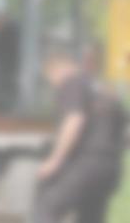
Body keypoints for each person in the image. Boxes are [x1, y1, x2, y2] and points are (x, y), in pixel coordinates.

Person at [33, 49, 125, 223]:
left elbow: (75, 120)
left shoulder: (73, 82)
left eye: (50, 78)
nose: (53, 84)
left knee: (49, 205)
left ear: (56, 68)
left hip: (86, 162)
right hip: (110, 168)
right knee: (91, 216)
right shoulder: (104, 88)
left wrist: (55, 162)